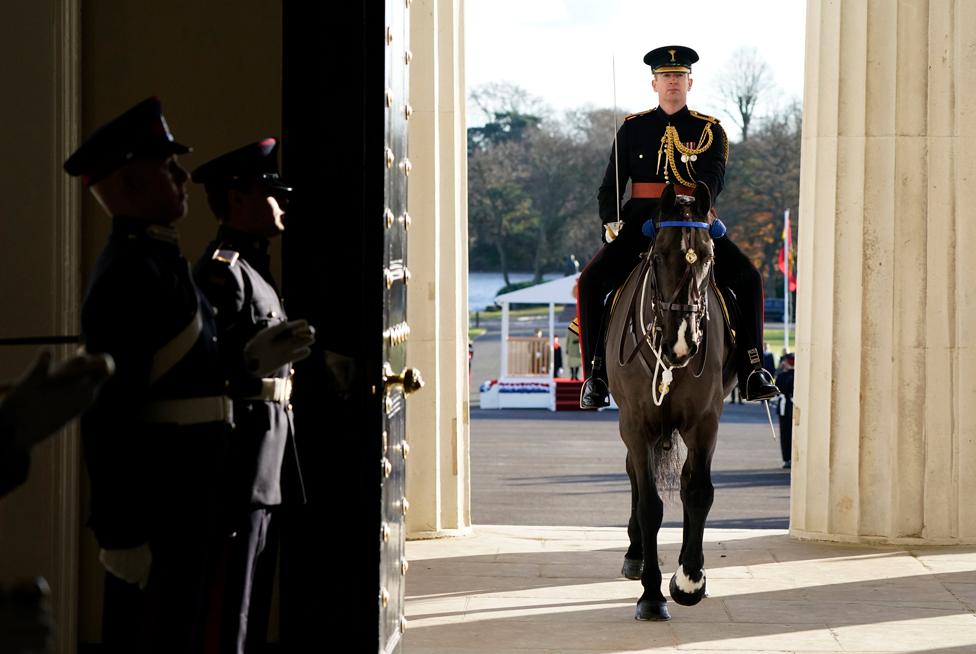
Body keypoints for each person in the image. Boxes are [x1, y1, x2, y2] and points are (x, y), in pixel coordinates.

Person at [64, 98, 312, 653]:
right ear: (128, 184)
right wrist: (120, 531)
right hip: (163, 501)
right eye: (165, 166)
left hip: (191, 496)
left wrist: (248, 360)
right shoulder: (130, 273)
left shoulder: (159, 261)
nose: (180, 175)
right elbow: (109, 412)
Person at [577, 45, 779, 409]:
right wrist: (610, 219)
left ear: (690, 83)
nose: (673, 82)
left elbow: (714, 177)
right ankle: (596, 375)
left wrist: (700, 205)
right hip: (640, 221)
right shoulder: (633, 128)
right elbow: (610, 185)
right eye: (666, 77)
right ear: (654, 84)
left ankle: (752, 369)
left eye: (679, 76)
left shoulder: (709, 130)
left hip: (693, 219)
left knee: (748, 277)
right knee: (591, 282)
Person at [191, 138, 312, 653]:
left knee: (255, 602)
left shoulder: (255, 268)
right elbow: (208, 371)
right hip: (239, 462)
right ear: (236, 199)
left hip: (269, 456)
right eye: (269, 192)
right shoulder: (224, 272)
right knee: (229, 608)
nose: (281, 203)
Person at [775, 353, 795, 469]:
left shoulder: (782, 376)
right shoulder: (797, 375)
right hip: (789, 405)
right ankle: (790, 457)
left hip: (785, 406)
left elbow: (777, 389)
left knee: (785, 434)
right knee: (789, 433)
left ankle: (787, 458)